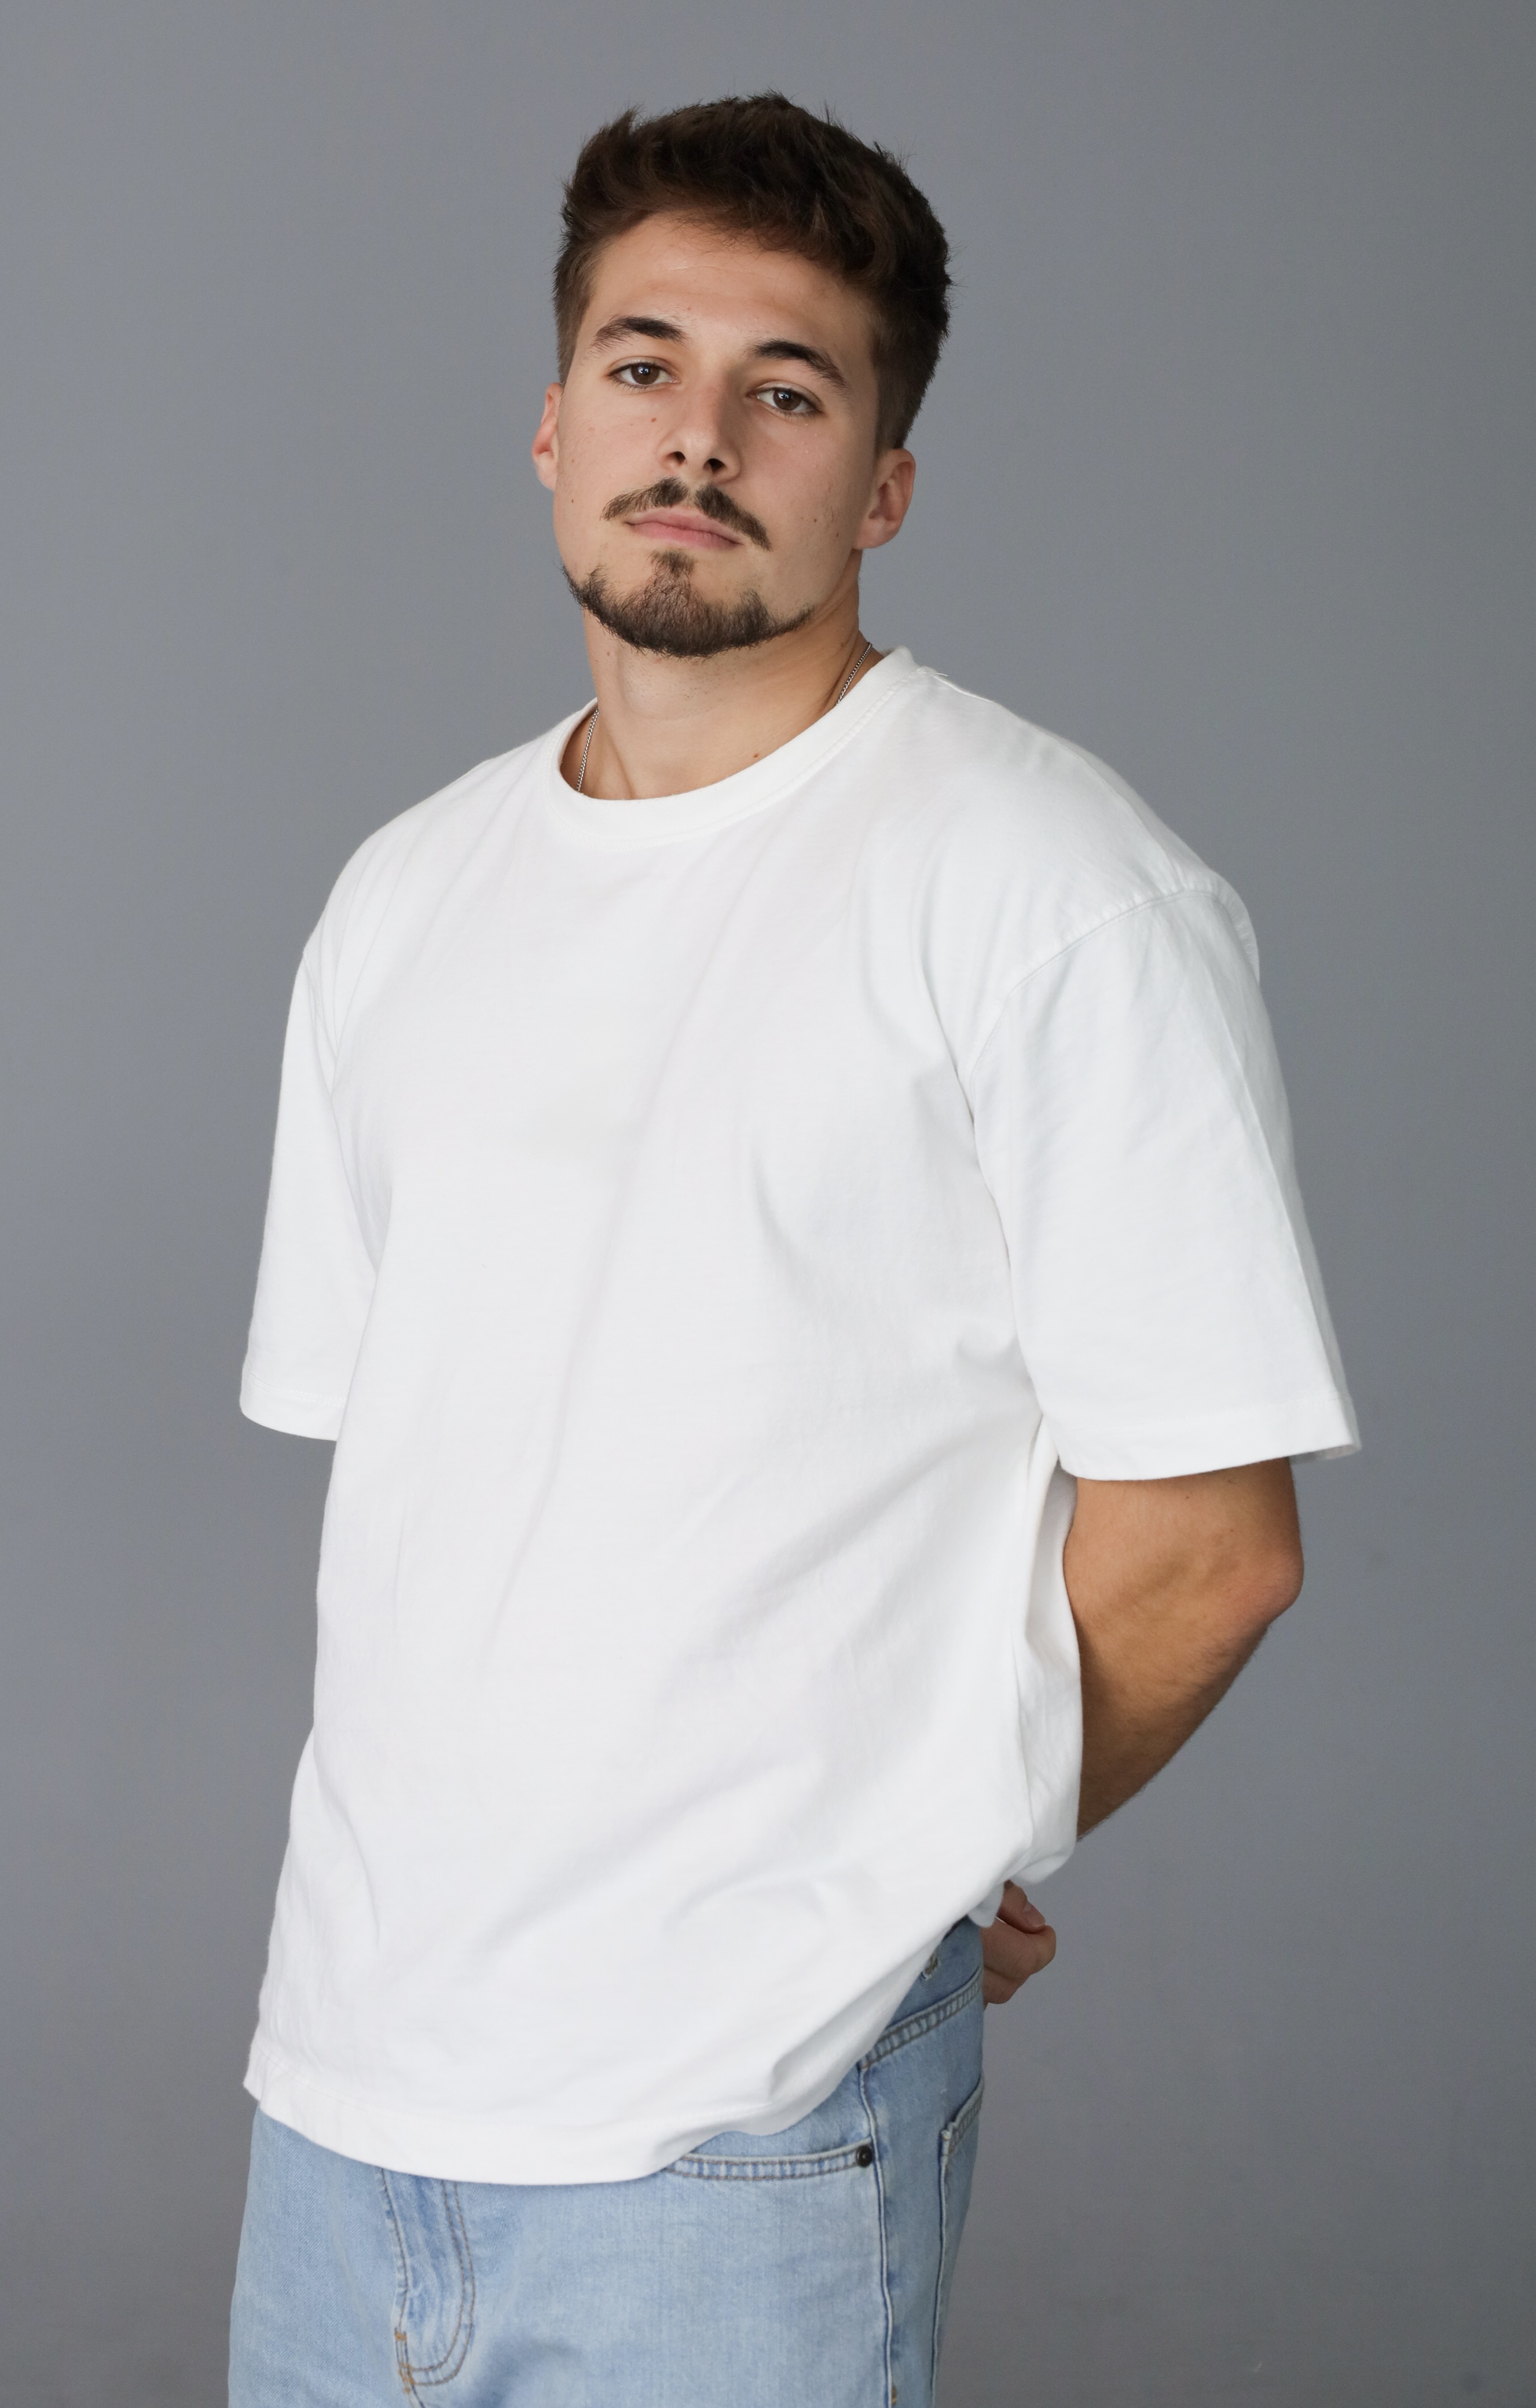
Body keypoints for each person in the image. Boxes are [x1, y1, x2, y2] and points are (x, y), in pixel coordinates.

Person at [227, 93, 1357, 2408]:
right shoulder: (401, 898)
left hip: (741, 2135)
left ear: (886, 485)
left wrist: (938, 1842)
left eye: (789, 390)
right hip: (341, 2103)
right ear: (552, 425)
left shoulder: (1049, 889)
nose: (699, 438)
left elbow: (1211, 1547)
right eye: (643, 365)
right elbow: (432, 1502)